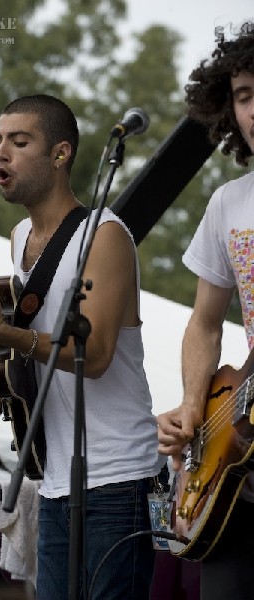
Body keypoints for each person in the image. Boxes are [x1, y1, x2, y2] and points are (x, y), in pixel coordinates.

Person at [0, 94, 166, 600]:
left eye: (19, 142)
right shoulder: (19, 235)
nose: (1, 152)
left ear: (60, 154)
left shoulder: (104, 235)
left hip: (119, 479)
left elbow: (95, 355)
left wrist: (1, 332)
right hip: (54, 480)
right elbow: (33, 330)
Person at [156, 22, 254, 600]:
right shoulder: (229, 203)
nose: (253, 109)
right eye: (244, 95)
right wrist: (194, 407)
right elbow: (205, 322)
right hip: (238, 462)